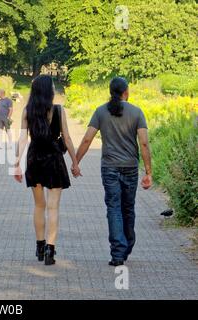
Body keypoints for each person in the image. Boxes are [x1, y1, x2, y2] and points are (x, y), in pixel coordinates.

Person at [75, 77, 152, 267]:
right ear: (126, 91)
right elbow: (143, 143)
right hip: (131, 167)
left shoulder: (101, 111)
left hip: (109, 167)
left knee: (113, 208)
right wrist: (148, 171)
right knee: (128, 207)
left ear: (111, 92)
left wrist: (76, 161)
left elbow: (87, 139)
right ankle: (127, 245)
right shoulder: (137, 112)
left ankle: (118, 252)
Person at [14, 75, 81, 266]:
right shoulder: (59, 111)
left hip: (35, 159)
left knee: (39, 206)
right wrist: (75, 163)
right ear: (50, 91)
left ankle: (40, 246)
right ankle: (51, 250)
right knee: (53, 207)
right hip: (54, 159)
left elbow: (22, 139)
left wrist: (16, 163)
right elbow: (67, 139)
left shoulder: (28, 111)